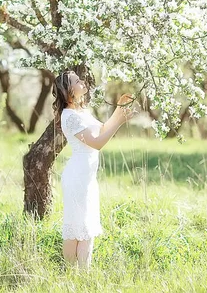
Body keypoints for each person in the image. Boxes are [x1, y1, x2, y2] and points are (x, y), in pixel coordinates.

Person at [52, 70, 137, 269]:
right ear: (68, 90)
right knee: (75, 228)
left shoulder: (82, 112)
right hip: (77, 177)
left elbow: (103, 127)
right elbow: (97, 143)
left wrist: (119, 109)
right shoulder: (70, 116)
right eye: (76, 81)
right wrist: (120, 121)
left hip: (87, 177)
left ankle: (82, 276)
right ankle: (73, 274)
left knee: (86, 228)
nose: (82, 81)